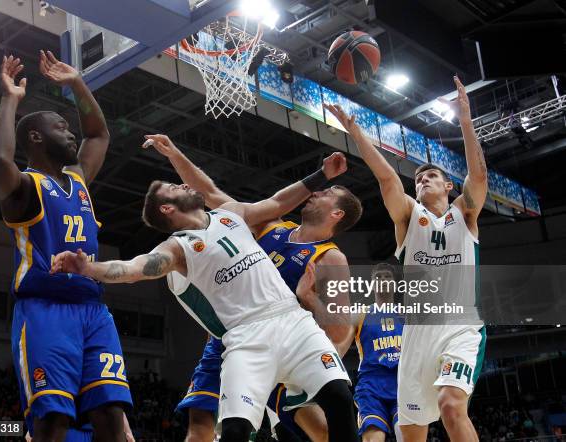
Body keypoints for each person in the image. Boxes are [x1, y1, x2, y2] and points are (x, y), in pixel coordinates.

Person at [50, 156, 360, 442]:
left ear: (337, 214)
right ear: (168, 209)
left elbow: (276, 199)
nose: (183, 185)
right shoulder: (180, 247)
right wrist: (89, 267)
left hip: (292, 322)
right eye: (174, 187)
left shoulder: (241, 218)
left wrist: (321, 174)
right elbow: (134, 268)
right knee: (234, 430)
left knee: (339, 399)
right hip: (242, 335)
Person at [141, 134, 362, 442]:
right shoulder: (269, 225)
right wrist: (174, 153)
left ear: (336, 214)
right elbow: (210, 194)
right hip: (234, 341)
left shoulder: (331, 257)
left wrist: (308, 299)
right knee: (200, 428)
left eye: (327, 193)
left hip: (288, 344)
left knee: (324, 430)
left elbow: (340, 332)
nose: (317, 193)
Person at [325, 75, 487, 442]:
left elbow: (478, 175)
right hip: (416, 335)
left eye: (431, 176)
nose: (423, 180)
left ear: (448, 186)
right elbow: (386, 179)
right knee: (410, 432)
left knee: (450, 405)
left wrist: (465, 120)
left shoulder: (465, 213)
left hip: (460, 328)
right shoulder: (409, 218)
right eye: (418, 179)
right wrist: (355, 132)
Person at [0, 52, 132, 442]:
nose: (71, 134)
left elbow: (98, 135)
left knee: (112, 420)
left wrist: (78, 84)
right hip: (45, 311)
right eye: (62, 127)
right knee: (52, 423)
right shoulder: (25, 188)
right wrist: (9, 99)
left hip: (94, 311)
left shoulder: (78, 180)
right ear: (35, 137)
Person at [352, 263, 403, 442]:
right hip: (371, 384)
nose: (382, 280)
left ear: (395, 283)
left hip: (403, 382)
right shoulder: (360, 314)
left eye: (387, 277)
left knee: (406, 434)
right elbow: (338, 344)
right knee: (374, 438)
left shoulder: (407, 315)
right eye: (378, 277)